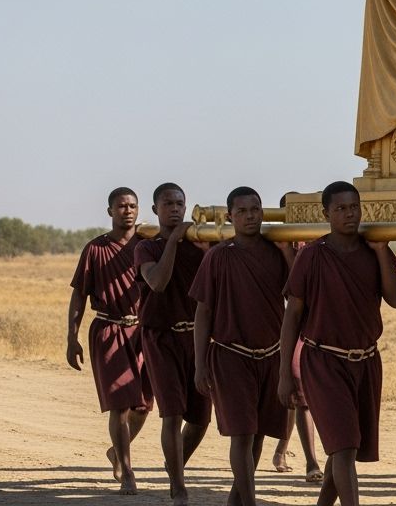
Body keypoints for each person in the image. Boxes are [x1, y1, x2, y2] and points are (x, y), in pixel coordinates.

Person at [278, 181, 396, 506]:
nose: (350, 214)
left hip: (366, 362)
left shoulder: (373, 249)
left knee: (344, 447)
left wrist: (380, 253)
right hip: (323, 362)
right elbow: (292, 316)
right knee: (344, 446)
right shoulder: (312, 256)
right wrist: (284, 374)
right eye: (341, 208)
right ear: (326, 213)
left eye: (354, 207)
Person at [189, 186, 291, 506]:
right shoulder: (219, 255)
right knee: (242, 434)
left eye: (256, 209)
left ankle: (238, 501)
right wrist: (200, 363)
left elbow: (295, 296)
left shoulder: (276, 252)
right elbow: (203, 312)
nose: (250, 216)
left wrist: (289, 250)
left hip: (270, 355)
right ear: (230, 216)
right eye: (243, 211)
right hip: (231, 356)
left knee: (259, 433)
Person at [66, 187, 153, 495]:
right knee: (119, 404)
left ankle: (117, 451)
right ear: (110, 212)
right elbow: (79, 294)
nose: (127, 211)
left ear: (139, 209)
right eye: (120, 206)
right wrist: (71, 337)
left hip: (144, 331)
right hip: (109, 331)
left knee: (142, 406)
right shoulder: (96, 249)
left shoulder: (149, 245)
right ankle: (128, 471)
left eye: (132, 206)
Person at [134, 182, 211, 506]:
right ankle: (178, 487)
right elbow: (158, 282)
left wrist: (206, 250)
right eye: (168, 204)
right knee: (172, 413)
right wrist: (174, 241)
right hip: (161, 336)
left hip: (195, 337)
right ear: (155, 209)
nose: (176, 209)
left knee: (200, 419)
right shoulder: (147, 248)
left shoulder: (198, 246)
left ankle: (174, 465)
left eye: (180, 203)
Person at [270, 193, 323, 484]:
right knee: (295, 392)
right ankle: (307, 459)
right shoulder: (273, 242)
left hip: (316, 325)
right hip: (285, 325)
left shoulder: (314, 243)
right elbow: (292, 288)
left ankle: (290, 453)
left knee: (299, 394)